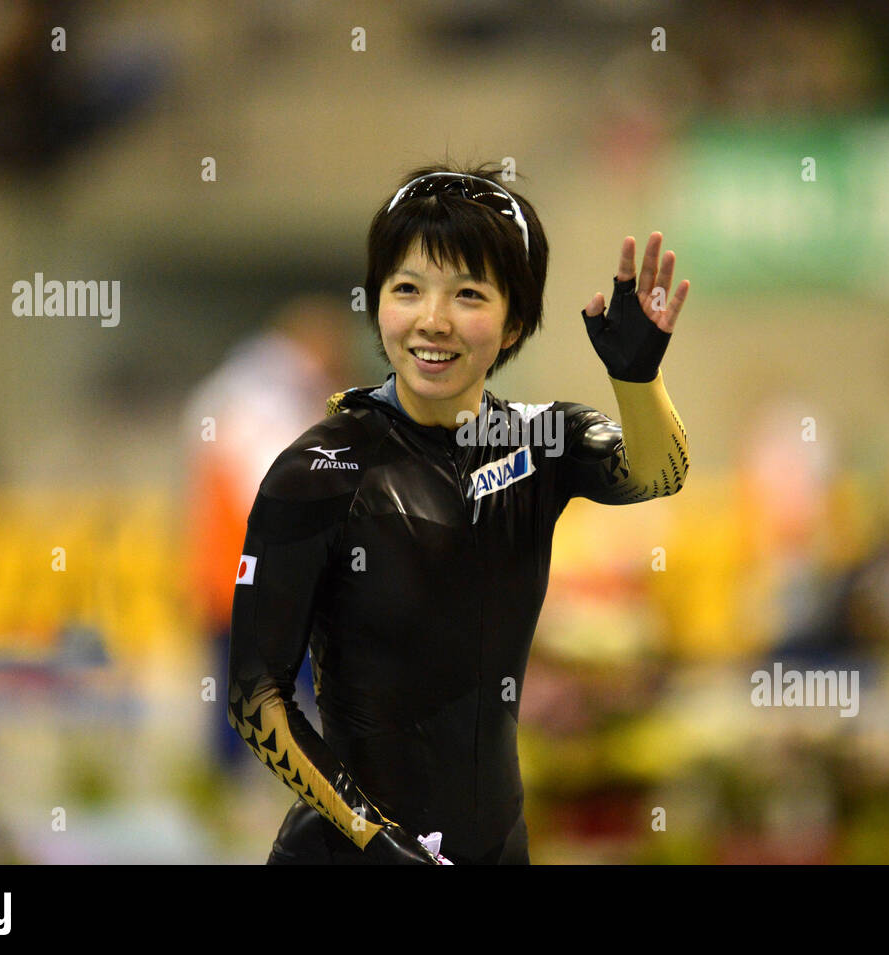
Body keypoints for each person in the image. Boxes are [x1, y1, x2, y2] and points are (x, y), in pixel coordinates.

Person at [226, 162, 691, 864]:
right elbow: (255, 695)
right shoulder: (319, 468)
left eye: (468, 293)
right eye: (407, 288)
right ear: (377, 302)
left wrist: (637, 378)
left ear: (514, 323)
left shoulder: (540, 440)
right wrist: (376, 840)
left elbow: (660, 473)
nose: (432, 320)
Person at [184, 296, 357, 769]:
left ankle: (233, 794)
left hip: (237, 575)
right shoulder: (261, 397)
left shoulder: (239, 389)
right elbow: (269, 488)